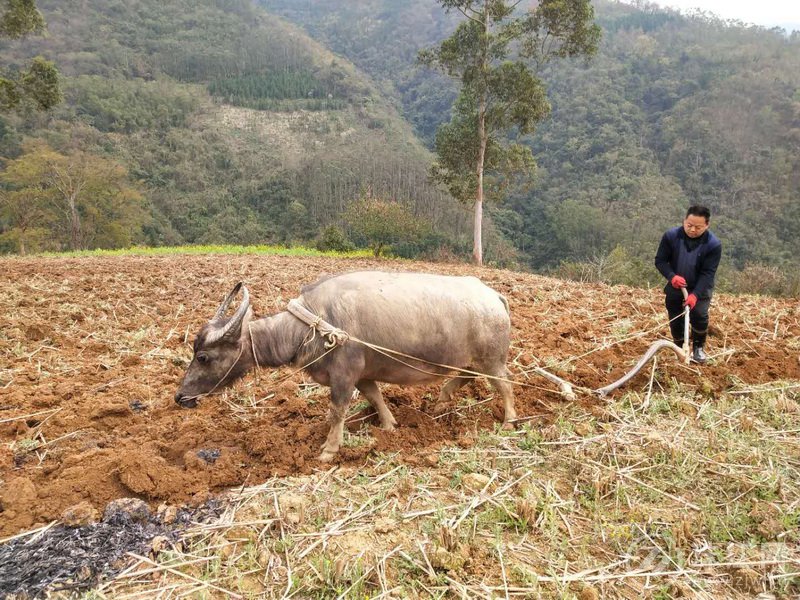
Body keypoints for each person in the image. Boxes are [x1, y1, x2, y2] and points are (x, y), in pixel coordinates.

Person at [655, 205, 722, 364]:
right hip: (676, 285)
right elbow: (660, 261)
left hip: (700, 288)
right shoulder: (671, 236)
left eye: (698, 227)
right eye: (689, 225)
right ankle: (679, 346)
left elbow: (708, 273)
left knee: (699, 315)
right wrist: (672, 277)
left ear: (707, 225)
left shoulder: (713, 245)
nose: (692, 230)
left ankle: (698, 347)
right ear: (684, 221)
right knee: (675, 316)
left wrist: (695, 295)